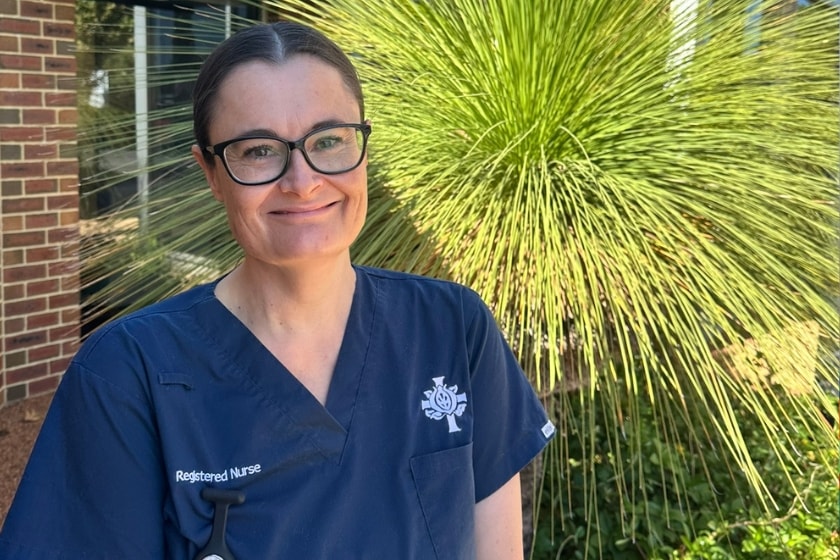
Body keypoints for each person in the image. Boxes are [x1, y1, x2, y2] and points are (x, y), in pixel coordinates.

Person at [0, 21, 554, 559]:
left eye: (330, 140)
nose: (303, 180)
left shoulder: (452, 327)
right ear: (211, 173)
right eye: (258, 150)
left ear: (363, 146)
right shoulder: (129, 373)